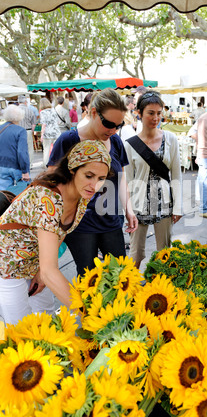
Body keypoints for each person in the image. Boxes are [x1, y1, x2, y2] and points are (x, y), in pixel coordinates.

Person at [0, 140, 111, 325]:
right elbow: (50, 271)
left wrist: (42, 271)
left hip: (35, 261)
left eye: (101, 179)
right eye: (89, 175)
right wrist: (89, 315)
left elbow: (61, 232)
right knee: (22, 329)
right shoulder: (48, 198)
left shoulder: (81, 196)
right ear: (72, 170)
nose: (95, 185)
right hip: (7, 264)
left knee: (48, 320)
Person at [47, 88, 138, 277]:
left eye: (118, 126)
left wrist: (129, 209)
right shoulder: (68, 140)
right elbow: (51, 184)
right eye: (108, 124)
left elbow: (120, 180)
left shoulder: (115, 141)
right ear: (94, 112)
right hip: (80, 224)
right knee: (88, 279)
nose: (112, 130)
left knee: (120, 275)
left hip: (111, 220)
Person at [124, 90, 182, 269]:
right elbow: (127, 180)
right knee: (135, 254)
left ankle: (160, 289)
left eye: (159, 113)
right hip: (138, 205)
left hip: (164, 204)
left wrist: (178, 206)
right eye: (151, 113)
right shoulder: (130, 144)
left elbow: (176, 175)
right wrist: (128, 211)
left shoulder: (171, 139)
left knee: (164, 253)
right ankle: (129, 291)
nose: (156, 117)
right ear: (139, 113)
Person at [0, 105, 30, 190]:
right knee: (21, 193)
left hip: (1, 165)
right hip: (16, 166)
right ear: (20, 117)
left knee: (3, 194)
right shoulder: (21, 130)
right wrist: (25, 170)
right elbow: (22, 152)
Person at [39, 97, 61, 167]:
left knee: (46, 149)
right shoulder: (54, 110)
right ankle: (58, 163)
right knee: (57, 149)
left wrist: (42, 135)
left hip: (47, 133)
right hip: (56, 132)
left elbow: (44, 124)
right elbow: (58, 121)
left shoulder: (42, 112)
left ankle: (46, 164)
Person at [17, 95, 36, 168]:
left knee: (19, 148)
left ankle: (20, 164)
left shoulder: (15, 111)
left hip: (18, 131)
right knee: (30, 148)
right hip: (27, 130)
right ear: (25, 102)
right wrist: (32, 131)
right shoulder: (30, 110)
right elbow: (34, 123)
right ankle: (30, 164)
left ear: (18, 102)